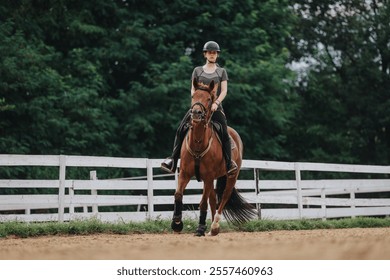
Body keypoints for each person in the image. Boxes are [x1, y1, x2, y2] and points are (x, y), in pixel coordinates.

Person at [161, 41, 238, 177]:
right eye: (210, 52)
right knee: (181, 129)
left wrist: (216, 103)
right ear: (205, 54)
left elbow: (224, 90)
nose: (212, 55)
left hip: (214, 107)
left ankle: (229, 163)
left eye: (214, 53)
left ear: (217, 55)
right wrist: (196, 100)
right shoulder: (197, 70)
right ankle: (172, 160)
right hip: (198, 107)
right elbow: (192, 88)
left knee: (224, 133)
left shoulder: (221, 72)